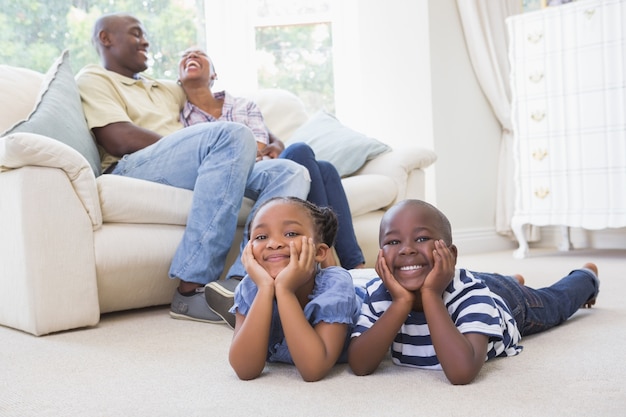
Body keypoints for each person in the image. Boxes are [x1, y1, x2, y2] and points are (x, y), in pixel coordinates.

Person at [76, 13, 310, 325]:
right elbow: (117, 138)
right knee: (231, 134)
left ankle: (243, 283)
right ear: (106, 39)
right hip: (133, 165)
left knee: (291, 171)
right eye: (135, 34)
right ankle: (189, 290)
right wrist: (194, 149)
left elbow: (205, 90)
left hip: (192, 166)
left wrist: (271, 142)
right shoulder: (93, 78)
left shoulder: (164, 88)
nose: (145, 41)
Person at [348, 199, 600, 385]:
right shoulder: (380, 293)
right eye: (393, 242)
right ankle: (511, 280)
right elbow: (360, 365)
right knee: (495, 282)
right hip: (470, 283)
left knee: (554, 303)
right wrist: (401, 302)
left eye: (422, 238)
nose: (406, 249)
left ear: (452, 254)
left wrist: (431, 295)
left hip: (508, 303)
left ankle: (585, 277)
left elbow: (461, 372)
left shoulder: (472, 296)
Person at [177, 47, 365, 272]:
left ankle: (355, 270)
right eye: (185, 56)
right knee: (301, 153)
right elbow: (238, 150)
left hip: (265, 169)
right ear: (178, 79)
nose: (191, 57)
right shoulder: (180, 117)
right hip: (229, 176)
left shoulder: (242, 105)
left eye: (199, 54)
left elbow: (259, 142)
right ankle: (330, 264)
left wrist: (263, 147)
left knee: (325, 168)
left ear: (214, 75)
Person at [224, 196, 362, 382]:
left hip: (360, 292)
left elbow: (313, 369)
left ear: (319, 252)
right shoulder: (251, 286)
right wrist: (265, 288)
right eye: (261, 237)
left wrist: (284, 290)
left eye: (290, 234)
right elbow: (245, 370)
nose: (274, 244)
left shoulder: (336, 284)